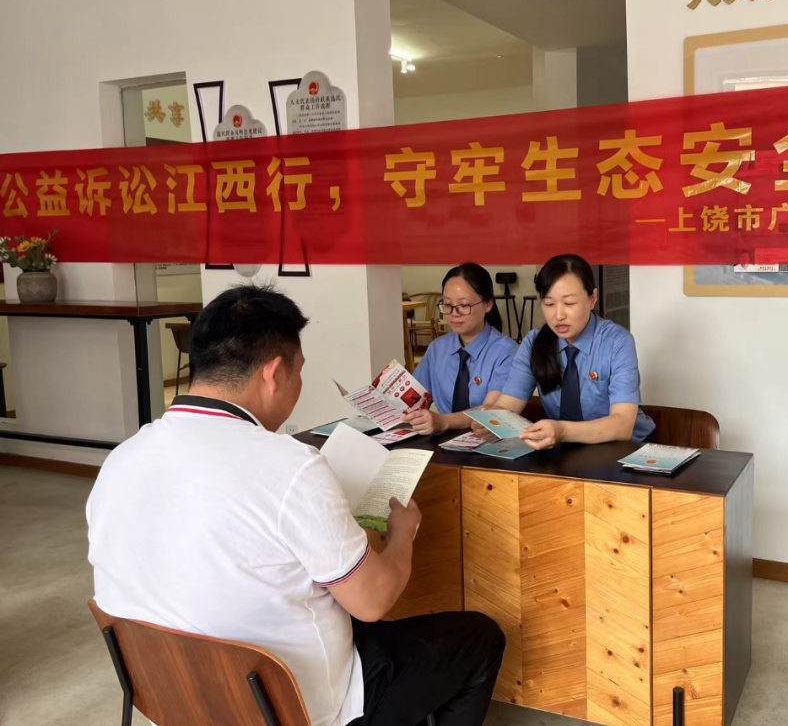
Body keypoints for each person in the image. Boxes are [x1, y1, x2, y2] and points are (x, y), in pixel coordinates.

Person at [87, 284, 504, 726]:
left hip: (169, 698)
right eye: (298, 371)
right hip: (283, 707)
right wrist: (402, 534)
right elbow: (373, 601)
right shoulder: (289, 466)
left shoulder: (122, 458)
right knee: (478, 638)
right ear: (273, 373)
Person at [488, 253, 655, 449]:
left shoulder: (617, 342)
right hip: (563, 449)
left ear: (592, 298)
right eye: (549, 304)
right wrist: (489, 421)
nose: (558, 315)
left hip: (624, 449)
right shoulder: (534, 342)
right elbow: (508, 405)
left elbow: (622, 425)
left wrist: (562, 431)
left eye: (569, 303)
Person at [404, 263, 518, 435]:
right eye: (447, 305)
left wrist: (442, 422)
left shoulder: (506, 352)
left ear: (488, 304)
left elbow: (490, 410)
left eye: (464, 305)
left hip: (487, 441)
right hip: (441, 441)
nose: (454, 313)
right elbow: (413, 398)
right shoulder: (438, 348)